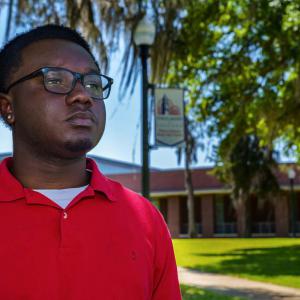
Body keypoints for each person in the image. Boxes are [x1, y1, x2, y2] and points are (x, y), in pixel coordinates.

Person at [0, 25, 181, 300]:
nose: (83, 95)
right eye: (56, 80)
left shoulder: (145, 219)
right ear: (8, 107)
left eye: (93, 84)